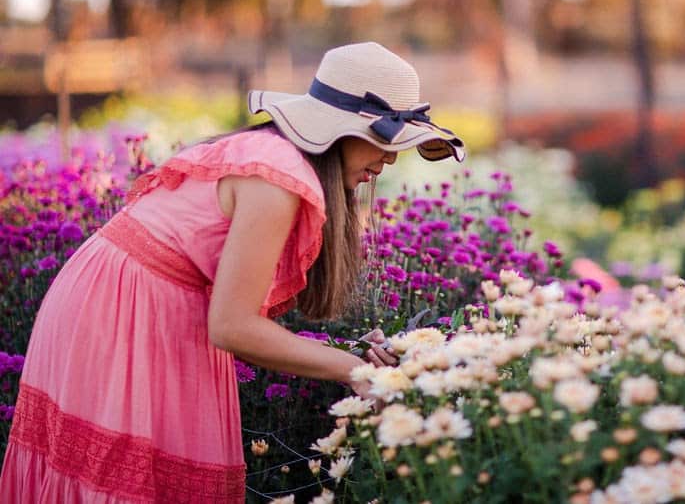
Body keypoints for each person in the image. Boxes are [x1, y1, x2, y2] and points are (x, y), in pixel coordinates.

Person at [0, 42, 464, 503]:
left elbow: (234, 316)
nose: (390, 160)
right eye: (385, 142)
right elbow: (232, 326)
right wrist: (354, 370)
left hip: (142, 300)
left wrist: (344, 353)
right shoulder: (278, 178)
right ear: (339, 130)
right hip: (124, 313)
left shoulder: (281, 162)